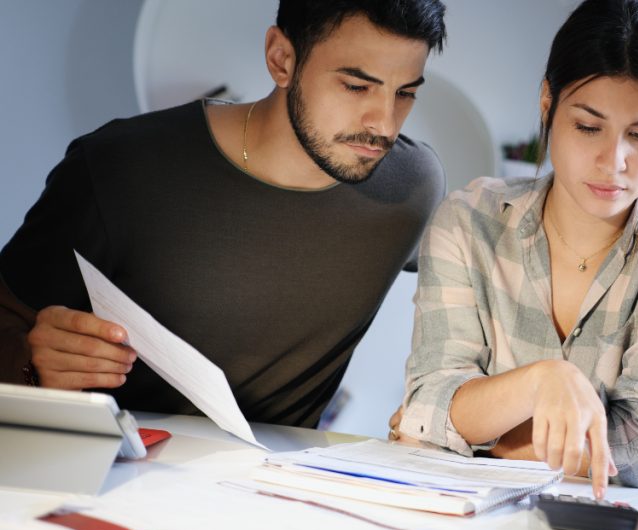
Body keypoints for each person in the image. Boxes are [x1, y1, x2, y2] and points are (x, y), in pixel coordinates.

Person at [0, 0, 447, 429]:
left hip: (279, 491)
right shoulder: (120, 167)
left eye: (405, 93)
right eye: (356, 86)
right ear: (281, 59)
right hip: (114, 475)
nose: (384, 124)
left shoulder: (412, 188)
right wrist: (31, 366)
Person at [394, 0, 638, 500]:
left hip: (628, 522)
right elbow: (431, 397)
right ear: (547, 103)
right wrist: (540, 382)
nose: (613, 161)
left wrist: (471, 435)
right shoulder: (470, 220)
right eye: (588, 126)